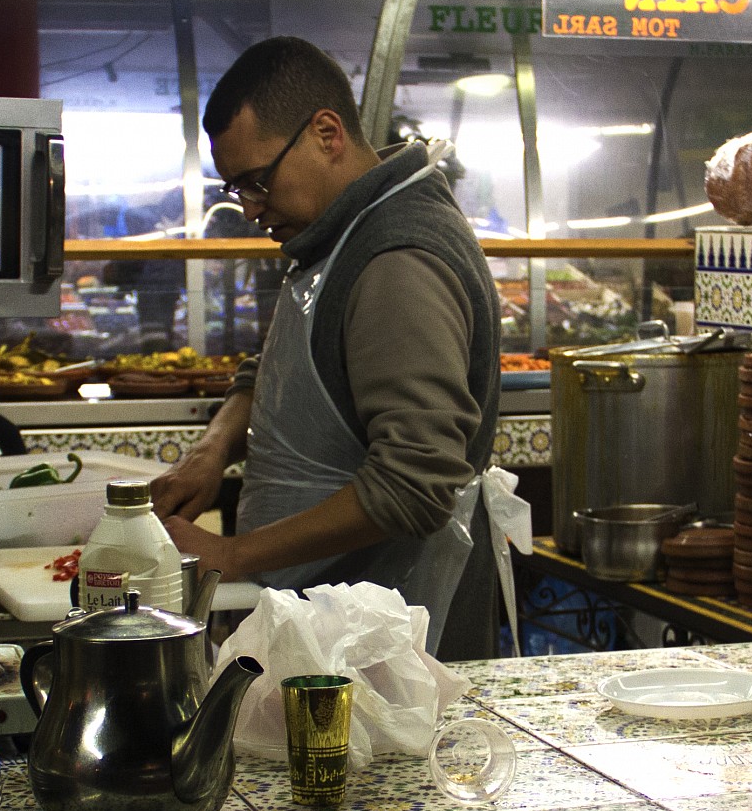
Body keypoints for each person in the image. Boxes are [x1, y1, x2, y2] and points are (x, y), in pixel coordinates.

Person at [150, 37, 503, 651]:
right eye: (238, 189)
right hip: (327, 640)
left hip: (389, 654)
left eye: (258, 181)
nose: (252, 208)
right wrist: (212, 450)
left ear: (326, 132)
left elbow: (413, 486)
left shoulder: (397, 259)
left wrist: (234, 555)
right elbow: (285, 363)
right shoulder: (338, 235)